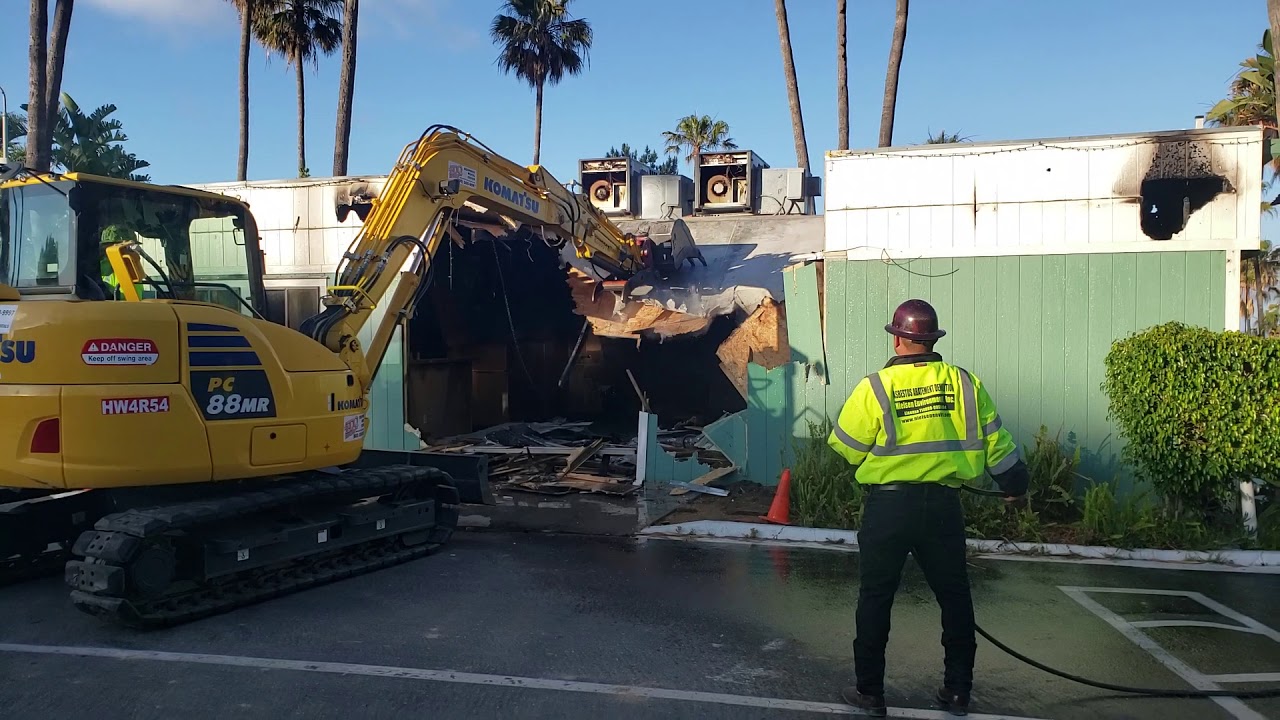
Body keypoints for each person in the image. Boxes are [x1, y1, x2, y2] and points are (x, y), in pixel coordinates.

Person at [827, 298, 1029, 717]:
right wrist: (1015, 484)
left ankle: (870, 693)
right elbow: (997, 444)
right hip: (943, 508)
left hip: (889, 506)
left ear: (898, 340)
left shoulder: (876, 386)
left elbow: (847, 448)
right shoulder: (964, 383)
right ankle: (957, 691)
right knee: (954, 598)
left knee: (876, 597)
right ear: (933, 340)